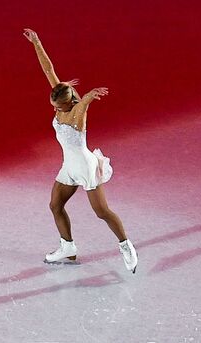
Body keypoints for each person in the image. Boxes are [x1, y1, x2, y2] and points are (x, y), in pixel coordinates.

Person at [23, 28, 138, 273]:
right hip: (69, 166)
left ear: (68, 103)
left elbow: (83, 102)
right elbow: (49, 70)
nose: (54, 109)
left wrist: (90, 96)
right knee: (55, 205)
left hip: (85, 166)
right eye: (52, 105)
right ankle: (68, 247)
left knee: (102, 212)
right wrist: (37, 42)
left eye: (57, 106)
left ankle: (126, 245)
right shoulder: (62, 95)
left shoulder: (77, 113)